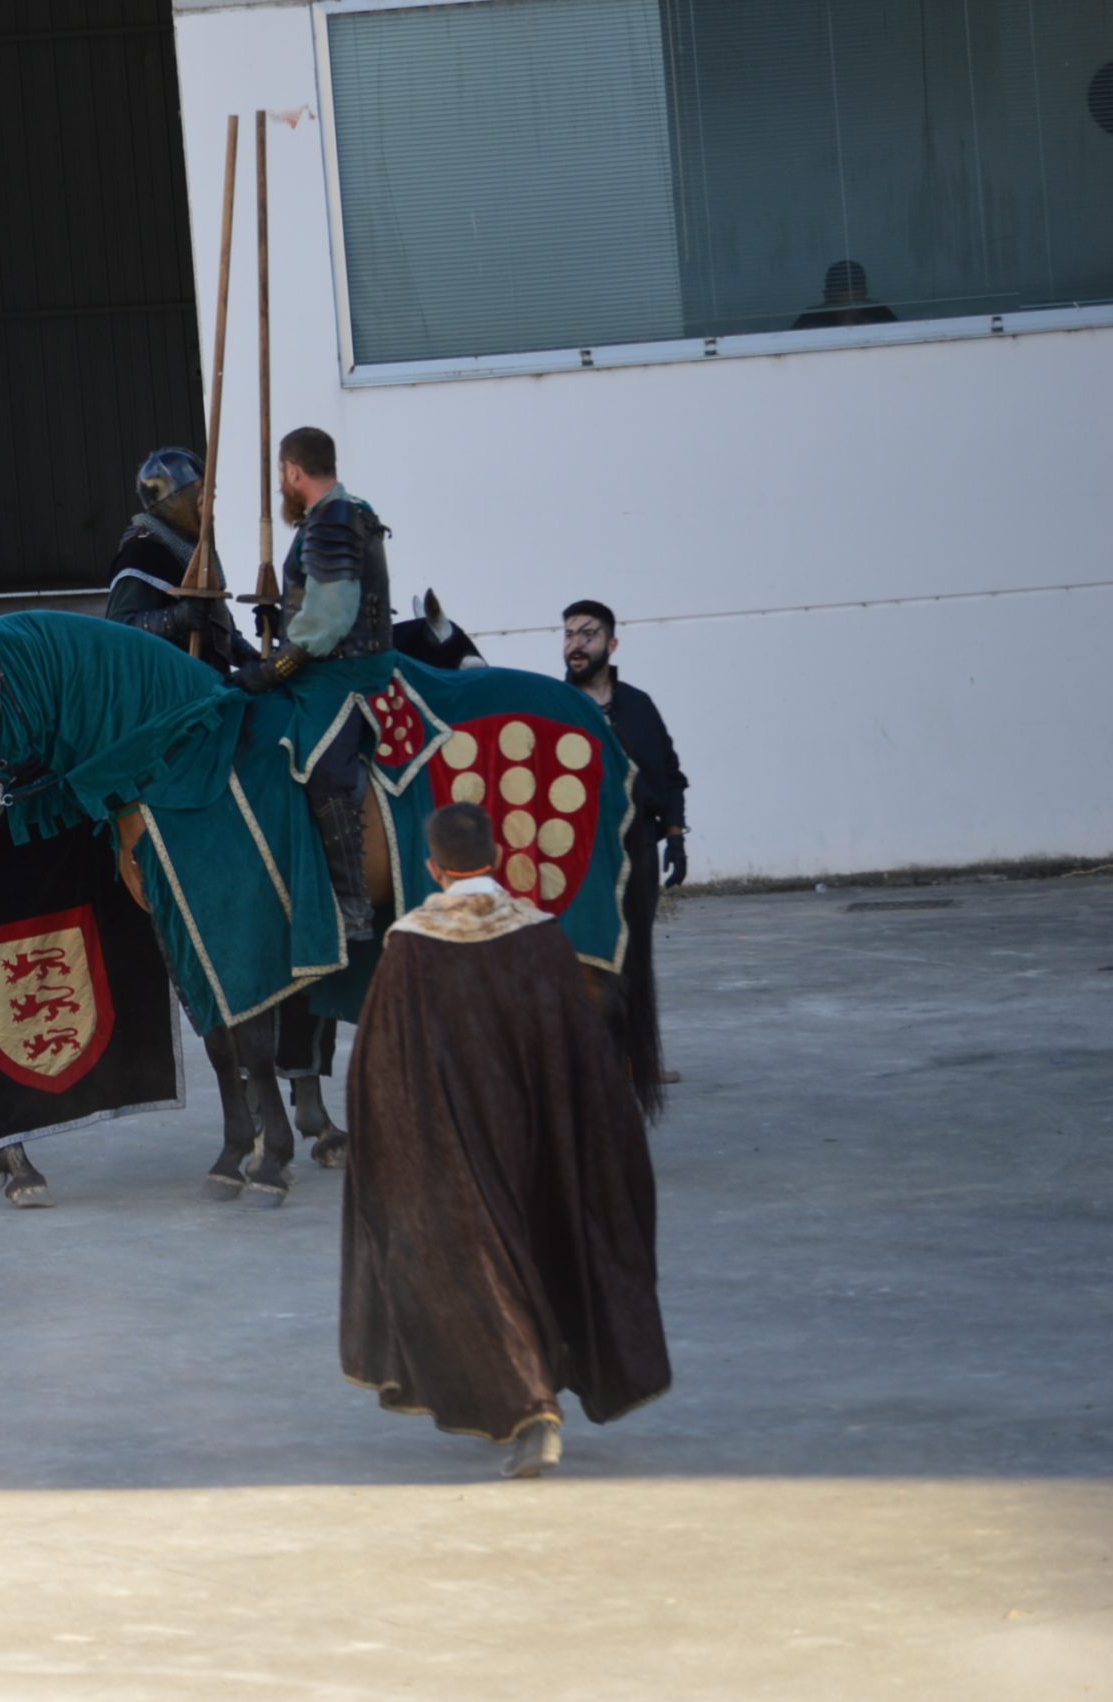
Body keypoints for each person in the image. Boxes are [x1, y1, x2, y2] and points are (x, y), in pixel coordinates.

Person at [341, 803, 672, 1479]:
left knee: (482, 1268)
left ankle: (532, 1407)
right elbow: (583, 1051)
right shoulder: (542, 936)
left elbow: (380, 1065)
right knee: (541, 1252)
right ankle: (540, 1392)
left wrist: (395, 1154)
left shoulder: (409, 944)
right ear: (496, 856)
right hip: (540, 1139)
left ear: (432, 866)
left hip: (455, 1144)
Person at [230, 427, 393, 943]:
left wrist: (276, 667)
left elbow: (330, 619)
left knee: (323, 766)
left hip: (344, 674)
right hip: (329, 666)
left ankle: (353, 906)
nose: (282, 481)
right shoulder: (333, 517)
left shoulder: (333, 520)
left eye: (282, 472)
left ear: (293, 471)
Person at [563, 599, 689, 1090]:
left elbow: (672, 774)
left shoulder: (638, 705)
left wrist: (675, 837)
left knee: (635, 954)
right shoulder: (556, 705)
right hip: (580, 851)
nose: (576, 643)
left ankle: (639, 1059)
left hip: (637, 845)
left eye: (587, 634)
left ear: (611, 645)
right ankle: (590, 1061)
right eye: (569, 634)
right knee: (585, 955)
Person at [102, 446, 246, 673]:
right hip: (168, 695)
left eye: (210, 498)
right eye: (200, 497)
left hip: (208, 687)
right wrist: (177, 618)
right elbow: (119, 627)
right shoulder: (143, 553)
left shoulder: (193, 552)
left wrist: (249, 656)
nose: (208, 508)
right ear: (172, 501)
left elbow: (216, 629)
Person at [791, 258, 899, 331]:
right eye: (842, 288)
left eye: (855, 286)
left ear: (864, 293)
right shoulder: (812, 318)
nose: (850, 295)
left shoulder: (878, 313)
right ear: (827, 296)